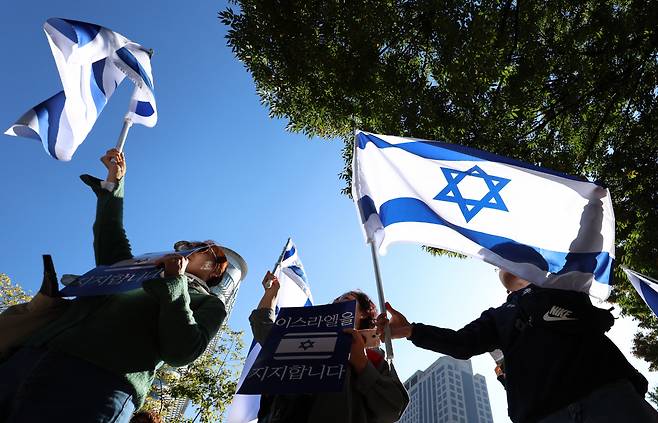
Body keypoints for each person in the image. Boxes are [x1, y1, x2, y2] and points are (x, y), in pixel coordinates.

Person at [0, 149, 229, 423]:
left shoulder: (209, 303)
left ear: (214, 268)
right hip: (28, 358)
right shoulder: (141, 268)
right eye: (184, 245)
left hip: (96, 383)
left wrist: (175, 285)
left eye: (198, 248)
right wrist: (113, 183)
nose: (186, 248)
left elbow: (182, 351)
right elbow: (111, 236)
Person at [377, 269, 657, 423]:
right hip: (544, 415)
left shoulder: (567, 284)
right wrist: (412, 330)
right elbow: (461, 343)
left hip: (610, 399)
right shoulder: (498, 316)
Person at [249, 271, 409, 423]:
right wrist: (271, 293)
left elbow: (393, 408)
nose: (338, 302)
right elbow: (265, 331)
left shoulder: (374, 355)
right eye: (335, 300)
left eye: (347, 299)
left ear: (364, 313)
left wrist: (362, 364)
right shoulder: (304, 337)